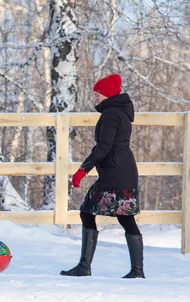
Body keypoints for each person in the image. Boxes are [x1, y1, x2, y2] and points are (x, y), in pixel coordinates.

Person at [61, 74, 144, 279]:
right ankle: (137, 271)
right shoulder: (120, 112)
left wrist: (83, 170)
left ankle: (84, 266)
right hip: (123, 170)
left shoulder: (111, 114)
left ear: (106, 94)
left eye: (97, 94)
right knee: (125, 218)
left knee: (88, 212)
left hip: (115, 173)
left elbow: (104, 147)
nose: (95, 98)